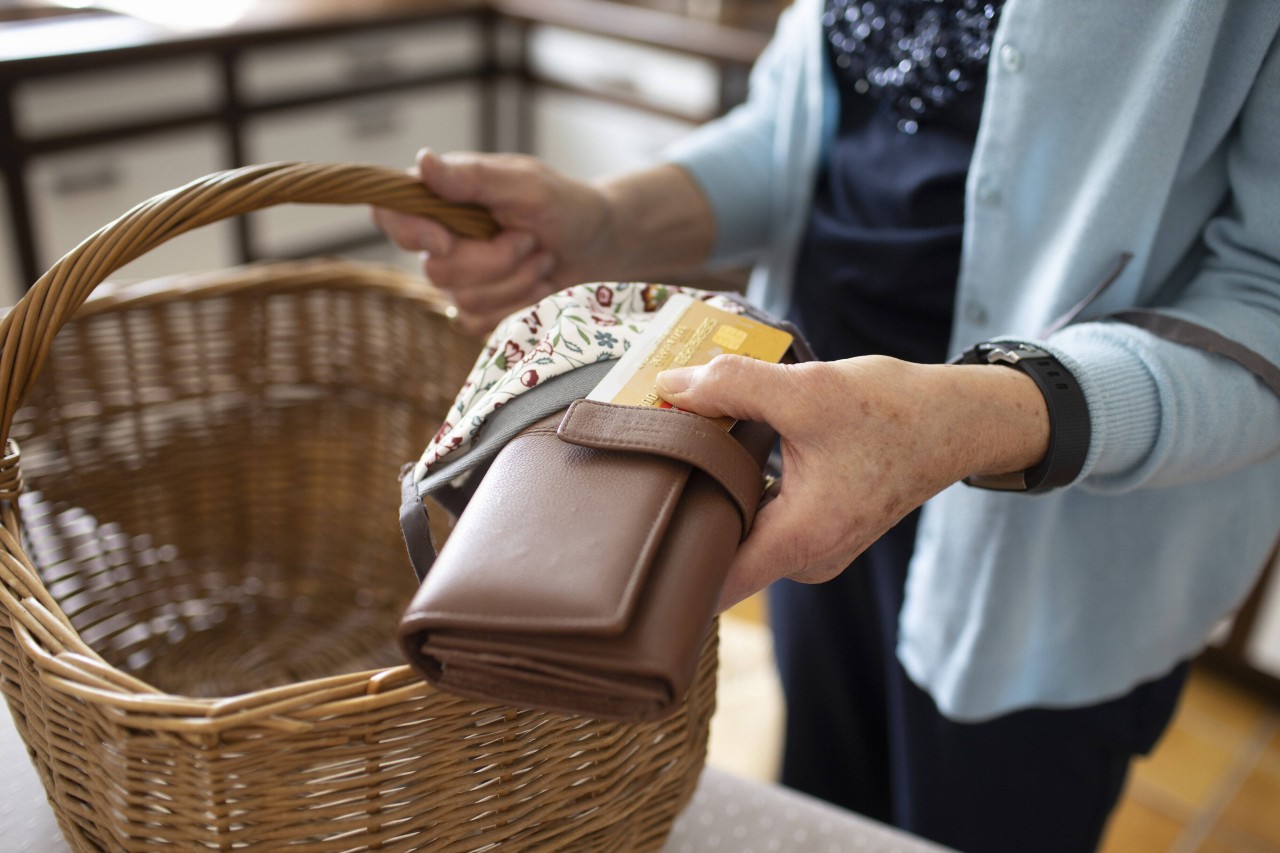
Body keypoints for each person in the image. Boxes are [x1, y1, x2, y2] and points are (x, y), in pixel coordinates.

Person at [374, 1, 1280, 850]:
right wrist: (611, 219)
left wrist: (960, 420)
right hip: (799, 459)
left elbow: (1266, 294)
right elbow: (802, 128)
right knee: (823, 796)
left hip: (1064, 523)